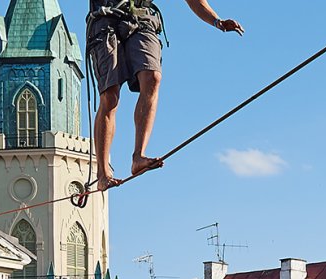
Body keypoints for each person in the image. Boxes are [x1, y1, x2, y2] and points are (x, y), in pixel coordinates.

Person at [88, 0, 243, 193]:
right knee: (110, 96)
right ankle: (103, 174)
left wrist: (217, 21)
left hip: (142, 19)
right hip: (106, 20)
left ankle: (138, 156)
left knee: (152, 77)